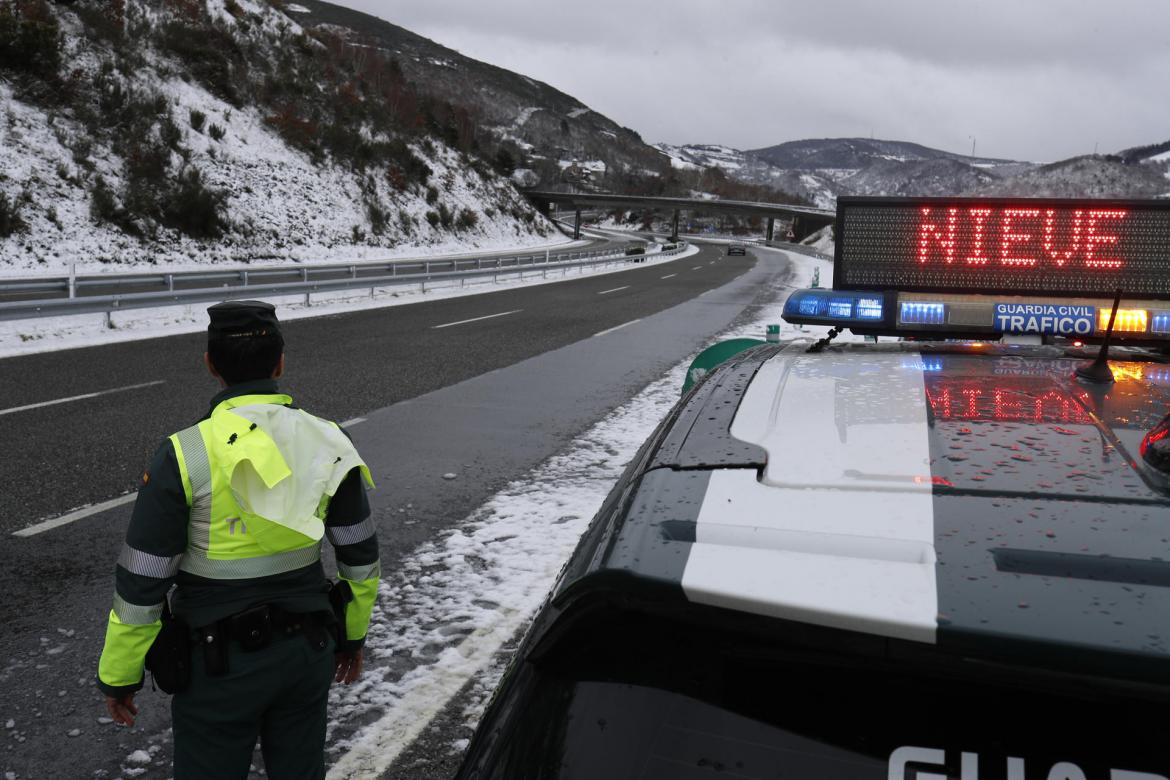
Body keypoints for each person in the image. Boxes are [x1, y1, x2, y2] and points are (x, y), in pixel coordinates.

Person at [96, 300, 380, 779]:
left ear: (210, 365)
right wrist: (352, 636)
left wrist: (120, 674)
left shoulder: (185, 453)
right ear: (280, 363)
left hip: (216, 665)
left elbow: (142, 582)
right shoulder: (329, 440)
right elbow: (360, 557)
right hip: (305, 652)